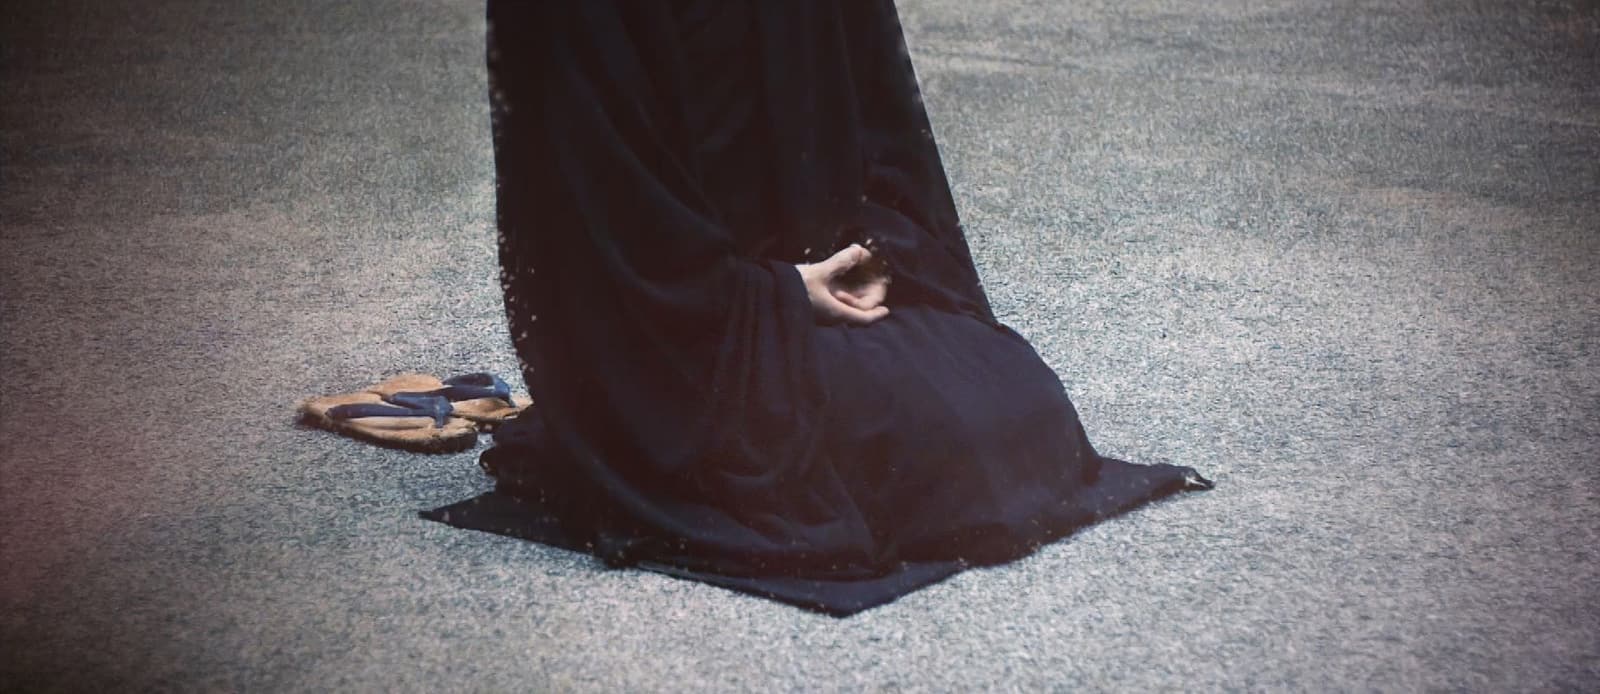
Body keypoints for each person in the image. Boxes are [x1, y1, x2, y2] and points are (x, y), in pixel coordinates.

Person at [423, 0, 1211, 616]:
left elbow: (883, 131)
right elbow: (593, 213)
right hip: (673, 337)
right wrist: (775, 295)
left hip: (813, 287)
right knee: (917, 448)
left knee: (1018, 408)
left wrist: (876, 256)